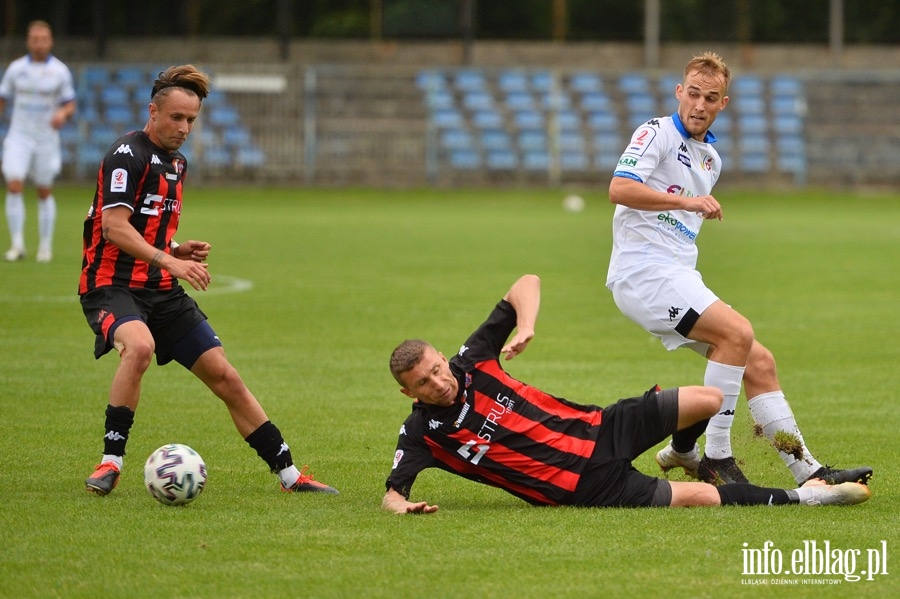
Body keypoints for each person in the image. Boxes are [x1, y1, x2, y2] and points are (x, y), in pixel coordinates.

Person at [382, 274, 870, 514]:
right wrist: (402, 506)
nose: (439, 381)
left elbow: (524, 283)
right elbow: (392, 493)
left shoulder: (474, 360)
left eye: (437, 368)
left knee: (708, 399)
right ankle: (808, 497)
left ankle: (682, 451)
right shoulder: (423, 433)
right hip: (583, 490)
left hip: (602, 427)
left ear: (443, 358)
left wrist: (525, 325)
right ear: (409, 392)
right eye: (424, 382)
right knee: (702, 497)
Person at [605, 51, 872, 487]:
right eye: (692, 94)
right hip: (643, 273)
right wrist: (686, 201)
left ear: (722, 103)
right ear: (679, 92)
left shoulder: (711, 160)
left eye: (710, 98)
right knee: (737, 334)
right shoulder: (655, 134)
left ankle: (806, 471)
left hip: (676, 275)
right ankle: (717, 459)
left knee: (758, 361)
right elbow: (619, 188)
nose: (699, 105)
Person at [79, 65, 336, 496]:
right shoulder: (127, 154)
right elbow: (114, 227)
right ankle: (110, 462)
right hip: (112, 286)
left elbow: (150, 226)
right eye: (176, 117)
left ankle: (290, 476)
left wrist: (174, 248)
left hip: (161, 289)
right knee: (139, 347)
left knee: (225, 376)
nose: (184, 128)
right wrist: (170, 261)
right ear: (153, 111)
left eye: (192, 120)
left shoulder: (177, 164)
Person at [1, 20, 75, 263]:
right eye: (35, 38)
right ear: (28, 41)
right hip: (19, 136)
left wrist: (62, 114)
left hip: (46, 139)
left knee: (44, 190)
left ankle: (45, 246)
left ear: (50, 41)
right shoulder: (16, 69)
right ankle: (18, 244)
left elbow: (70, 103)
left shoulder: (60, 71)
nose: (39, 43)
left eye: (43, 39)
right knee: (14, 185)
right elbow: (3, 98)